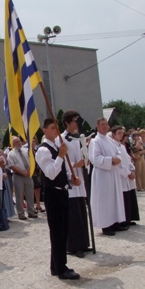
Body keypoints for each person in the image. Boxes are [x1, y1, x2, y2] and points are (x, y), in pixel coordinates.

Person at [36, 118, 81, 280]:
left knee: (63, 230)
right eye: (52, 127)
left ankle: (55, 265)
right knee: (57, 232)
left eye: (56, 127)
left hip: (62, 191)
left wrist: (72, 179)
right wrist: (61, 156)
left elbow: (63, 170)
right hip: (52, 194)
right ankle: (62, 268)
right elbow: (51, 173)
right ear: (45, 130)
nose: (55, 130)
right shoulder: (43, 150)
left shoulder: (57, 147)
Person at [89, 119, 127, 235]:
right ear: (97, 126)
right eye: (102, 125)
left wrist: (118, 158)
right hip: (103, 174)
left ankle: (115, 222)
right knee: (105, 199)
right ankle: (105, 225)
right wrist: (111, 160)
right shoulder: (95, 141)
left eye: (106, 124)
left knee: (114, 198)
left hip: (113, 172)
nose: (105, 127)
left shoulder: (110, 140)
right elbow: (95, 158)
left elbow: (118, 151)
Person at [62, 110, 90, 258]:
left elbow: (83, 154)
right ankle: (74, 246)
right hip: (71, 180)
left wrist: (85, 161)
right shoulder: (62, 139)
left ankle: (83, 243)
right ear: (67, 122)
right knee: (73, 215)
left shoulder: (78, 138)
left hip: (80, 179)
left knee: (81, 212)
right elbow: (62, 161)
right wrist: (75, 165)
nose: (77, 123)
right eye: (74, 120)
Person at [114, 127, 140, 226]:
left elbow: (128, 159)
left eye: (122, 133)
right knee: (123, 197)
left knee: (129, 196)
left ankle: (129, 218)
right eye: (119, 133)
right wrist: (127, 173)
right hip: (122, 175)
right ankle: (123, 220)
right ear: (114, 134)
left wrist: (132, 170)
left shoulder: (122, 146)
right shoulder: (114, 146)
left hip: (129, 173)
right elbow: (118, 163)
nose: (121, 135)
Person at [6, 136, 37, 220]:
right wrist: (22, 172)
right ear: (13, 144)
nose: (19, 143)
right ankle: (21, 213)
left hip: (28, 175)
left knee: (30, 194)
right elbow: (11, 165)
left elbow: (31, 161)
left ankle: (31, 211)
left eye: (19, 141)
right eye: (16, 142)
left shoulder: (26, 150)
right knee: (19, 195)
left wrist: (29, 170)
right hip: (18, 176)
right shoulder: (11, 154)